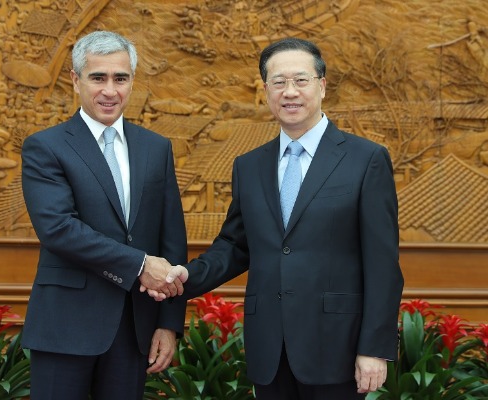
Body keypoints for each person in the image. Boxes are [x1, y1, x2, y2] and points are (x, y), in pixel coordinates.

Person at [152, 37, 404, 399]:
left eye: (300, 80)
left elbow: (383, 264)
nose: (290, 92)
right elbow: (236, 245)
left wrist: (375, 348)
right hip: (270, 348)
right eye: (278, 82)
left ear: (321, 86)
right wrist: (187, 277)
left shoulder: (366, 160)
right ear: (266, 90)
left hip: (339, 347)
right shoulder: (249, 165)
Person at [21, 30, 189, 399]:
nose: (110, 90)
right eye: (98, 77)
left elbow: (171, 238)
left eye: (120, 78)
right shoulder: (45, 147)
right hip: (65, 327)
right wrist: (140, 264)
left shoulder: (156, 148)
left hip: (134, 329)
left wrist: (168, 323)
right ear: (75, 80)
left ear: (132, 81)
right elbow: (58, 228)